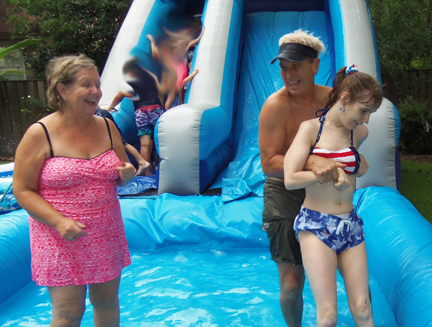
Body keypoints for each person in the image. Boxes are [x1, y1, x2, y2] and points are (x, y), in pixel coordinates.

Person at [13, 54, 135, 327]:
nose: (96, 91)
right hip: (59, 234)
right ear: (62, 90)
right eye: (86, 84)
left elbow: (120, 174)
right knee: (68, 312)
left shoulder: (106, 125)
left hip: (105, 230)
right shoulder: (40, 133)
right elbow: (22, 190)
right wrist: (59, 221)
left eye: (97, 84)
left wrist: (126, 176)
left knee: (107, 303)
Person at [259, 30, 347, 327]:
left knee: (349, 273)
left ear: (315, 65)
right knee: (292, 284)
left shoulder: (333, 100)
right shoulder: (275, 106)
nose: (288, 74)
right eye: (283, 67)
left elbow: (358, 127)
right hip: (284, 192)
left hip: (324, 194)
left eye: (295, 65)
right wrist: (310, 160)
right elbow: (269, 164)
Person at [284, 65, 382, 326]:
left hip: (350, 225)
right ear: (345, 99)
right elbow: (290, 178)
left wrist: (361, 163)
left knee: (362, 307)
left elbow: (356, 163)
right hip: (317, 225)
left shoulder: (358, 133)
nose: (366, 120)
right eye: (364, 111)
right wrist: (325, 173)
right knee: (328, 315)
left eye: (370, 113)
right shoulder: (310, 130)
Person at [107, 59, 165, 175]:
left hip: (141, 112)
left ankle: (147, 172)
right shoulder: (153, 80)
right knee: (161, 139)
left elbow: (120, 95)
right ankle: (163, 169)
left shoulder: (132, 85)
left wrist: (109, 108)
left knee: (145, 143)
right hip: (156, 109)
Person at [95, 107, 150, 176]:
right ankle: (141, 162)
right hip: (103, 113)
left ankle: (135, 166)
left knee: (119, 143)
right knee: (123, 143)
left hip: (99, 115)